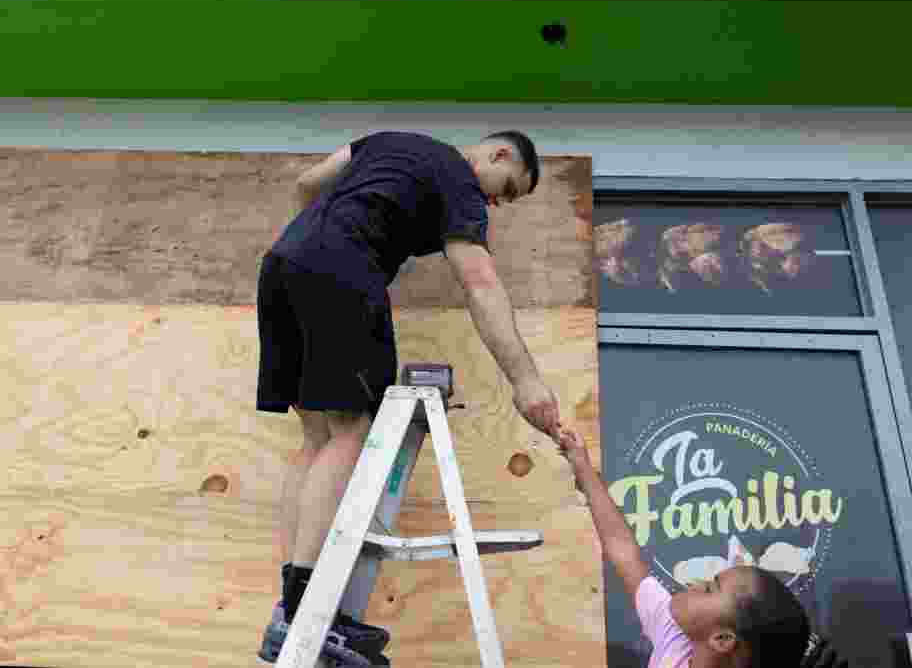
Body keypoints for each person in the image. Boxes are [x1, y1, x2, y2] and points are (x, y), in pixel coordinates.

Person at [256, 131, 563, 664]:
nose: (496, 203)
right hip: (341, 270)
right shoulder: (459, 178)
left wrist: (326, 232)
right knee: (352, 433)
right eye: (507, 189)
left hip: (283, 263)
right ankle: (307, 609)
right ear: (498, 154)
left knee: (317, 437)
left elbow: (308, 183)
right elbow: (481, 284)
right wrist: (525, 380)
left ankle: (291, 609)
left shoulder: (390, 142)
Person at [556, 428, 811, 668]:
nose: (697, 583)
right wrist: (582, 466)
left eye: (710, 589)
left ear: (722, 640)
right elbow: (624, 553)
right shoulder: (675, 638)